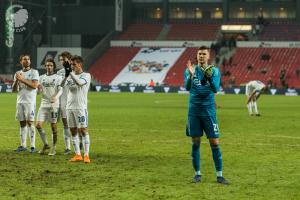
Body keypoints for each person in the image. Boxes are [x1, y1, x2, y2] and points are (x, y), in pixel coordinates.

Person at [184, 46, 229, 185]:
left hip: (209, 111)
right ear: (197, 56)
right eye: (199, 54)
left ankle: (219, 176)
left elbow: (215, 89)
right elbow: (187, 87)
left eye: (204, 54)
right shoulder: (190, 70)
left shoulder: (214, 71)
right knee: (196, 142)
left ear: (208, 56)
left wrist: (208, 77)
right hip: (194, 111)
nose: (201, 56)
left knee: (214, 143)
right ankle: (197, 174)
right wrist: (191, 75)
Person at [61, 55, 91, 163]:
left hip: (80, 108)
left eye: (74, 64)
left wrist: (71, 73)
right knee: (73, 131)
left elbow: (79, 83)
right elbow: (62, 85)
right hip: (69, 107)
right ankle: (78, 155)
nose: (72, 66)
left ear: (80, 64)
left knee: (83, 130)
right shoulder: (70, 76)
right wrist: (66, 74)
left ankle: (86, 155)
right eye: (71, 64)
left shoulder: (86, 75)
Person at [12, 54, 39, 153]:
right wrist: (16, 81)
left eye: (28, 59)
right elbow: (14, 90)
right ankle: (23, 145)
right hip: (20, 101)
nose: (26, 61)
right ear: (21, 62)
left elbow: (34, 85)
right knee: (22, 123)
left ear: (30, 61)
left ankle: (32, 146)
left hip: (30, 102)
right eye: (24, 59)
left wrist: (21, 79)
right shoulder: (18, 73)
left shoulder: (34, 72)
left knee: (30, 122)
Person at [36, 58, 63, 155]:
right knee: (38, 125)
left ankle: (54, 148)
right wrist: (38, 90)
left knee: (53, 127)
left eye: (51, 65)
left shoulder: (58, 77)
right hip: (43, 104)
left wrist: (56, 97)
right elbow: (39, 92)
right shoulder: (41, 77)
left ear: (54, 67)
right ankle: (46, 144)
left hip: (54, 105)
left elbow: (61, 90)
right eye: (47, 65)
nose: (49, 67)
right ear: (45, 66)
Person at [57, 51, 73, 154]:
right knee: (65, 125)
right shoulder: (59, 73)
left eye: (63, 59)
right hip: (63, 101)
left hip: (74, 101)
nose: (62, 61)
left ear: (69, 59)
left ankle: (80, 140)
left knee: (77, 125)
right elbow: (60, 87)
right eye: (60, 60)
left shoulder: (76, 70)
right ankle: (68, 147)